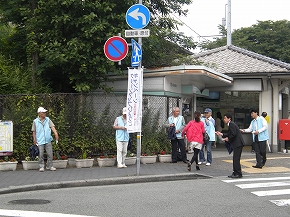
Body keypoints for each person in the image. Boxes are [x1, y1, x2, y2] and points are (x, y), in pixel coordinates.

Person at [216, 113, 244, 178]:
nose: (224, 119)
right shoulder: (230, 124)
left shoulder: (232, 124)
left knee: (236, 159)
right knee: (235, 159)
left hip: (238, 144)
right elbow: (229, 134)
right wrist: (221, 134)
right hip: (237, 144)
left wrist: (228, 139)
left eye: (225, 118)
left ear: (229, 119)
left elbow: (233, 134)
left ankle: (238, 173)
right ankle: (236, 172)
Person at [32, 107, 59, 172]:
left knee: (50, 154)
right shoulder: (35, 121)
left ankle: (49, 166)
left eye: (45, 112)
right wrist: (34, 139)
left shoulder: (48, 119)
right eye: (43, 112)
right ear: (39, 113)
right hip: (40, 140)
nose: (45, 113)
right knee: (40, 154)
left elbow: (52, 127)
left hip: (48, 139)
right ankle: (41, 166)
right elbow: (34, 131)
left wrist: (56, 134)